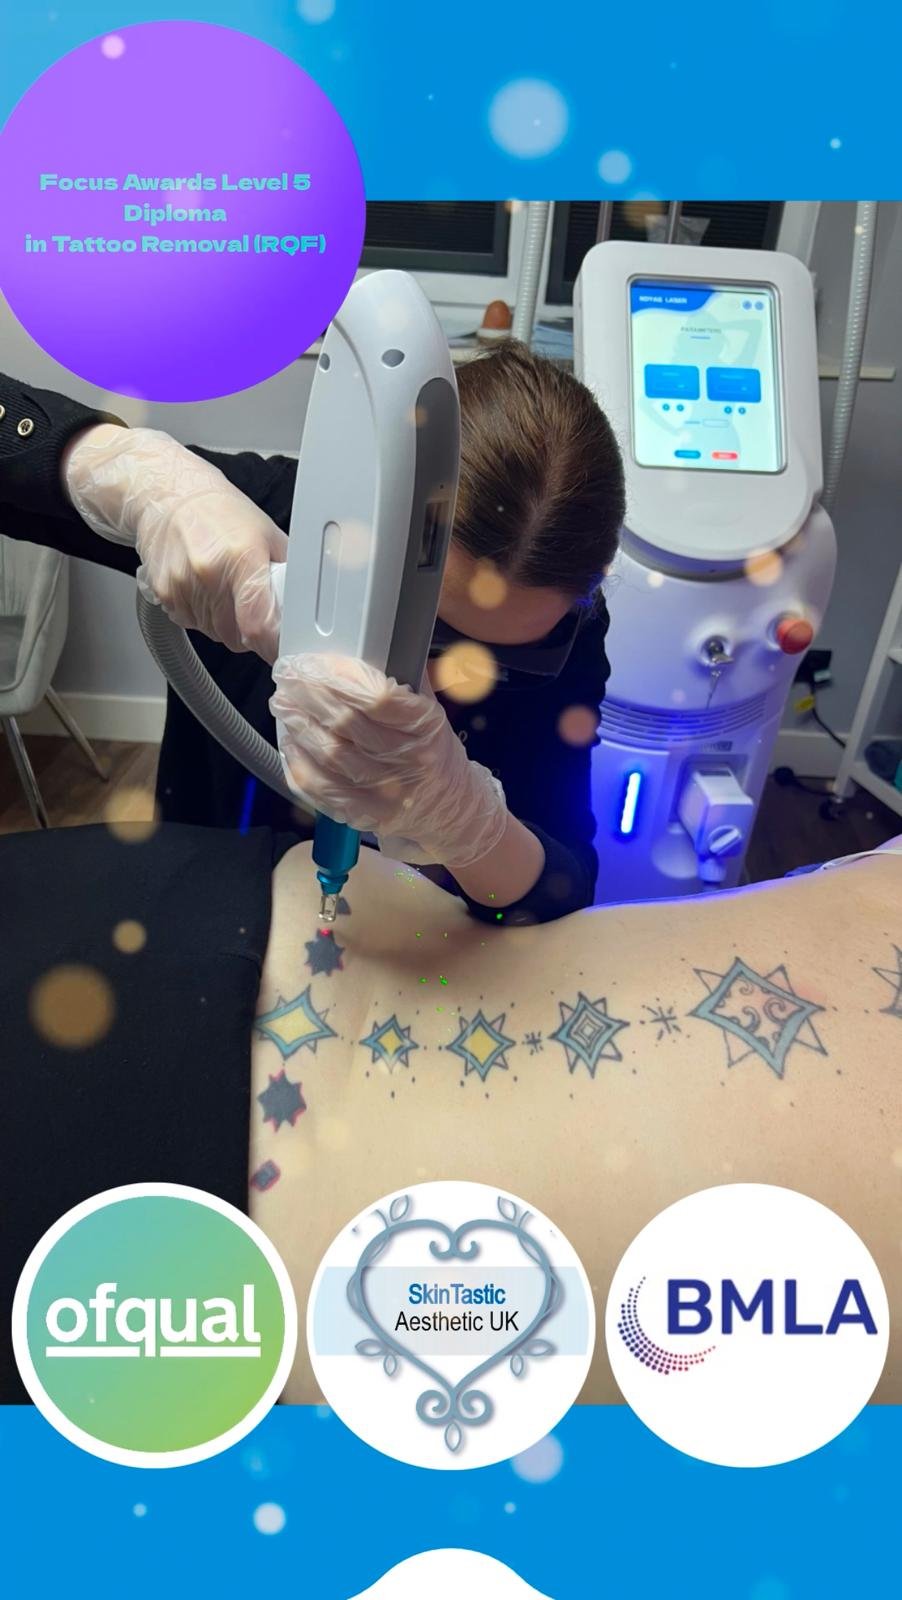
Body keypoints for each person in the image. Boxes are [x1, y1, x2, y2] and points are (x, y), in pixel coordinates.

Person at [2, 817, 900, 1404]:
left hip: (170, 1240)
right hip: (174, 911)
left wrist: (480, 826)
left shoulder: (569, 649)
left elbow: (561, 875)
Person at [0, 344, 625, 922]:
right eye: (428, 631)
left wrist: (466, 821)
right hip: (208, 894)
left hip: (411, 944)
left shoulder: (568, 639)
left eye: (508, 656)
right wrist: (133, 477)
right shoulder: (270, 520)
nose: (442, 678)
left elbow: (566, 887)